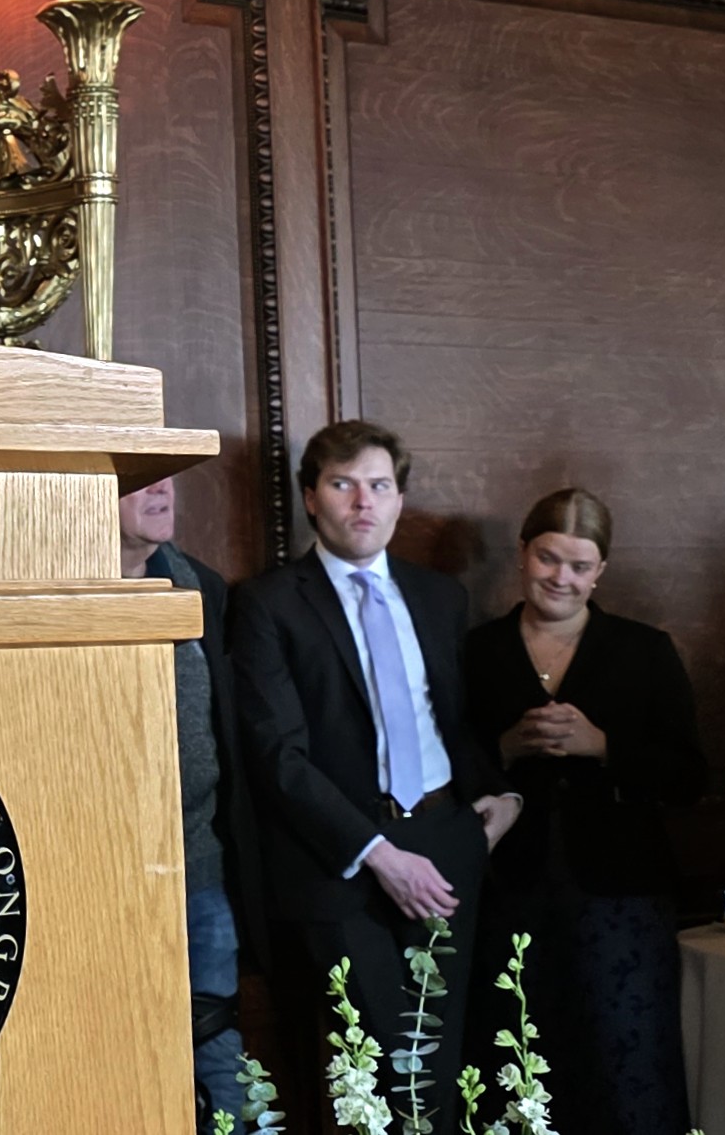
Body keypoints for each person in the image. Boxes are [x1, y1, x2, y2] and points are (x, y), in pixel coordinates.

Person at [229, 421, 519, 1130]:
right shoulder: (268, 603)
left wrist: (504, 798)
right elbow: (276, 756)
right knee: (381, 1077)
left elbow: (452, 720)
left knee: (439, 1070)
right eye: (343, 483)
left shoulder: (439, 598)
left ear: (399, 500)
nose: (363, 501)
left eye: (380, 485)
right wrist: (378, 853)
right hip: (342, 867)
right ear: (311, 498)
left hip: (448, 844)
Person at [464, 488, 702, 1135]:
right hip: (507, 890)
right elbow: (447, 761)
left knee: (625, 1060)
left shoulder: (644, 648)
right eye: (548, 558)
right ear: (522, 553)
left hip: (622, 897)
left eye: (578, 565)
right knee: (515, 1055)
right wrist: (506, 749)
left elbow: (690, 777)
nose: (560, 578)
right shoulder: (476, 649)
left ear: (601, 572)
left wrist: (604, 747)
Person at [118, 475, 249, 1122]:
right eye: (140, 476)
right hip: (103, 881)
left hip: (200, 866)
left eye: (168, 473)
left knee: (221, 1061)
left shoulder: (200, 584)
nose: (162, 488)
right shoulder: (57, 584)